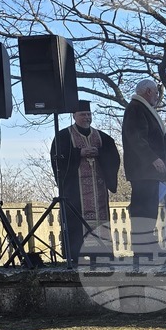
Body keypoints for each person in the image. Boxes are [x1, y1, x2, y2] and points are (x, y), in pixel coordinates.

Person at [49, 101, 120, 263]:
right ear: (74, 116)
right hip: (75, 192)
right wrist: (79, 153)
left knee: (101, 220)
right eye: (83, 114)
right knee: (75, 222)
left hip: (99, 190)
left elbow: (114, 158)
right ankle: (76, 255)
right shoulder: (63, 137)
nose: (86, 117)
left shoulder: (103, 137)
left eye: (89, 114)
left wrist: (100, 153)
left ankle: (102, 254)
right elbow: (58, 160)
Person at [121, 79, 166, 248]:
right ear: (148, 91)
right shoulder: (136, 108)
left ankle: (148, 244)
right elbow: (136, 138)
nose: (157, 96)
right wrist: (153, 158)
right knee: (143, 210)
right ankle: (143, 247)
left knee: (150, 209)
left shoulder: (141, 108)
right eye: (155, 93)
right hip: (143, 170)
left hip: (148, 172)